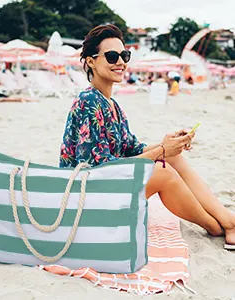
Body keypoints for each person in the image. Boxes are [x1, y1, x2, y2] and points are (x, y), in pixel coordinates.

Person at [59, 24, 235, 247]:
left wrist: (167, 145)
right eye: (112, 56)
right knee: (162, 172)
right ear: (91, 61)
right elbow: (98, 171)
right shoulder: (88, 102)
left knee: (172, 158)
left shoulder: (111, 105)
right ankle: (216, 226)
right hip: (86, 203)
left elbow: (131, 149)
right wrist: (161, 152)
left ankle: (227, 222)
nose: (121, 62)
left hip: (104, 190)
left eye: (124, 55)